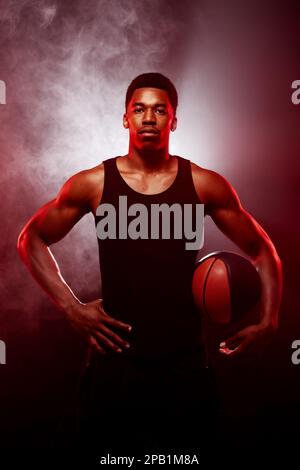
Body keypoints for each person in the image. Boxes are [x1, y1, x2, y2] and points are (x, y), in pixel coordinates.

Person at [17, 72, 282, 456]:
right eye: (139, 109)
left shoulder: (205, 185)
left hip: (185, 367)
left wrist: (270, 322)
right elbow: (31, 238)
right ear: (125, 118)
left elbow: (262, 250)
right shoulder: (94, 183)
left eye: (160, 110)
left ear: (173, 120)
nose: (148, 118)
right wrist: (70, 307)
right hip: (114, 367)